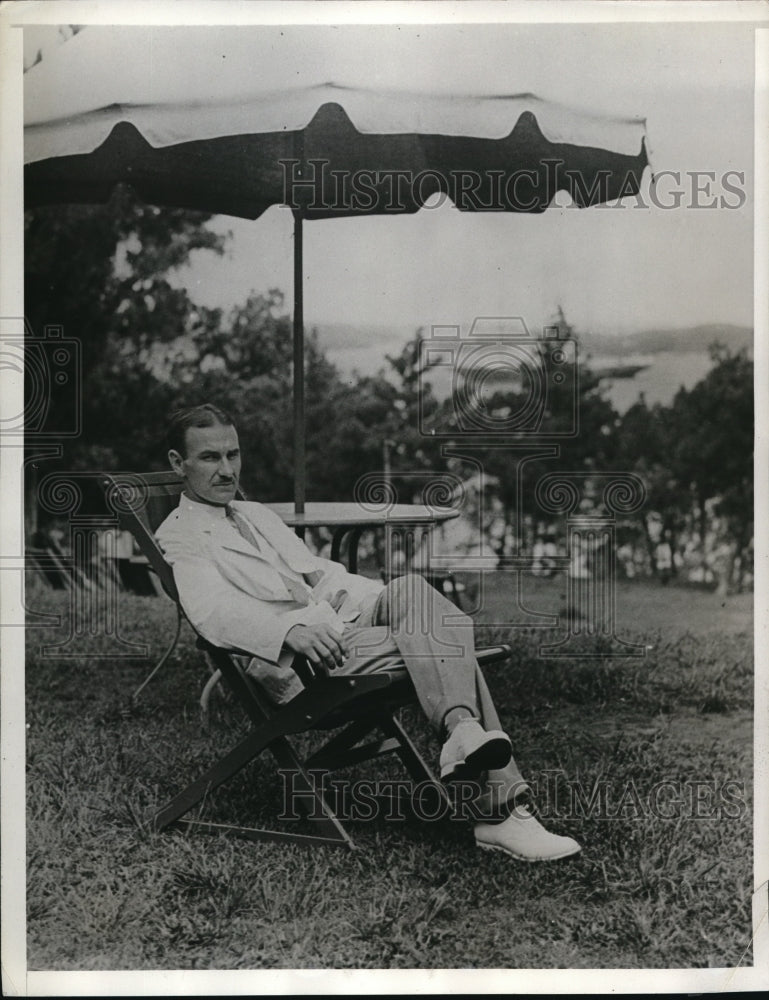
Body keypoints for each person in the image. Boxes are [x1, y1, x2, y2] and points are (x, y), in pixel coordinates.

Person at [156, 403, 581, 862]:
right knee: (449, 635)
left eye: (233, 455)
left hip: (342, 631)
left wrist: (383, 603)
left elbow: (323, 574)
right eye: (209, 458)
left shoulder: (255, 514)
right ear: (178, 464)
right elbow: (211, 611)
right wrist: (290, 628)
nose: (226, 470)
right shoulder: (179, 535)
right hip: (300, 664)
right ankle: (502, 812)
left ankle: (462, 731)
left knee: (417, 597)